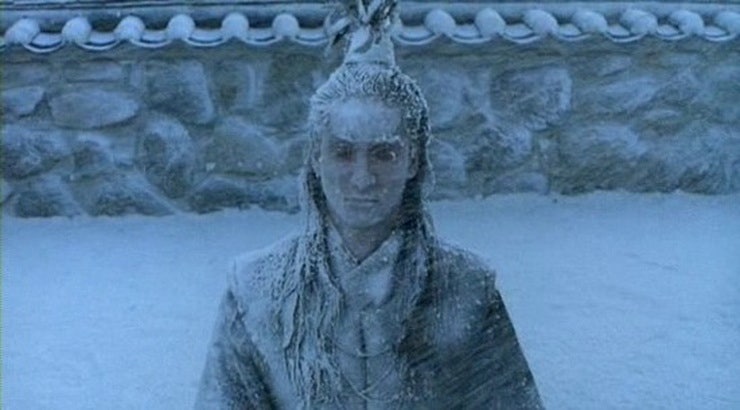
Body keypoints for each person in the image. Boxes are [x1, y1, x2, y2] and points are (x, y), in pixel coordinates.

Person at [196, 1, 543, 408]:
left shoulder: (466, 289)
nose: (362, 178)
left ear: (413, 160)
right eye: (343, 153)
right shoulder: (256, 291)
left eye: (384, 154)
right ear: (316, 157)